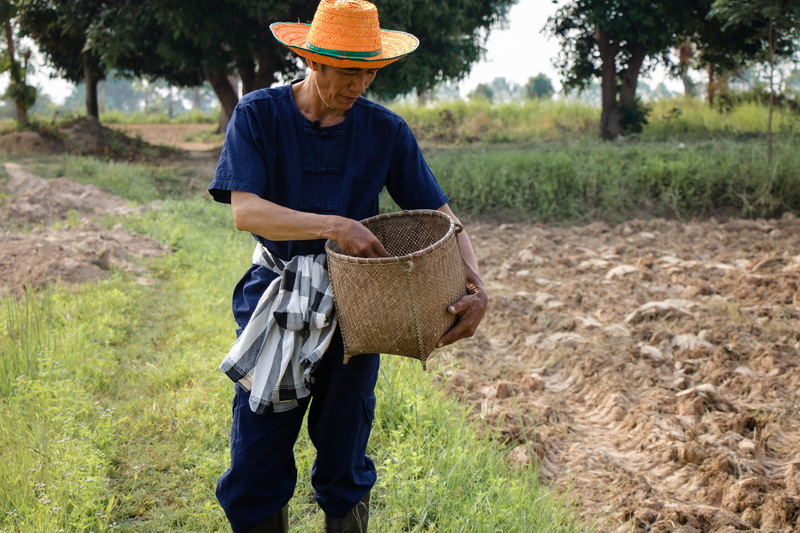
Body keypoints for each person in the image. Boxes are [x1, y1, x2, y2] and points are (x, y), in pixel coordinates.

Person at [208, 1, 488, 531]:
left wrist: (476, 284)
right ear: (313, 61)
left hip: (358, 306)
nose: (360, 85)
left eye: (370, 72)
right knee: (258, 449)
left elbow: (444, 219)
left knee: (345, 446)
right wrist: (336, 226)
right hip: (278, 294)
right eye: (347, 71)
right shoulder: (258, 115)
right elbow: (247, 212)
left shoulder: (385, 130)